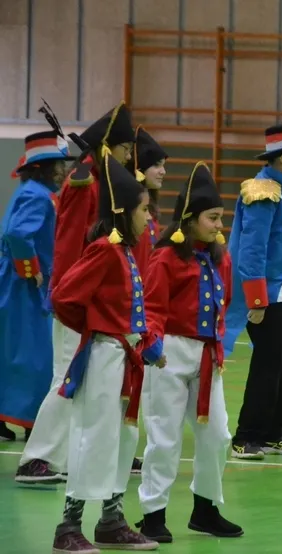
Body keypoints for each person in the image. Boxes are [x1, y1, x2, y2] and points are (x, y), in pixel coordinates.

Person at [16, 102, 139, 483]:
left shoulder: (103, 182)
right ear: (108, 149)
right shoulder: (85, 182)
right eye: (123, 149)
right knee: (67, 376)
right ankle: (36, 459)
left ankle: (68, 455)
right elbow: (68, 243)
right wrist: (70, 295)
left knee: (82, 378)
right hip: (76, 298)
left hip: (94, 298)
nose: (129, 156)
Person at [50, 152, 159, 552]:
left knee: (122, 440)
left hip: (124, 359)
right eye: (144, 210)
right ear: (123, 211)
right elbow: (65, 296)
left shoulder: (126, 251)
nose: (149, 218)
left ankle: (111, 520)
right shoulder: (105, 249)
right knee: (92, 438)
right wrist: (97, 329)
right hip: (104, 357)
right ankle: (68, 528)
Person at [135, 161, 242, 543]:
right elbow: (152, 308)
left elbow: (224, 302)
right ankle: (153, 514)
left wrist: (218, 344)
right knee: (164, 437)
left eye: (220, 218)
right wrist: (153, 343)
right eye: (212, 218)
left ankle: (206, 509)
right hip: (170, 354)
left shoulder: (219, 256)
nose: (218, 226)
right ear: (190, 218)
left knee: (217, 434)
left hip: (207, 357)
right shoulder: (166, 258)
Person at [223, 122, 282, 460]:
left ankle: (274, 433)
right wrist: (257, 300)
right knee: (267, 367)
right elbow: (252, 249)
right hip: (269, 297)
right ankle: (246, 436)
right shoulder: (263, 191)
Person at [0, 128, 74, 445]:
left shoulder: (35, 191)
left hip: (18, 283)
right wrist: (31, 271)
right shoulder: (37, 195)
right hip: (22, 286)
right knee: (33, 355)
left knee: (16, 352)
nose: (64, 171)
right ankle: (33, 421)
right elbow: (17, 234)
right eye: (59, 165)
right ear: (43, 167)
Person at [126, 126, 168, 247]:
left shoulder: (151, 206)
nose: (163, 171)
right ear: (139, 168)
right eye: (156, 165)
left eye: (163, 166)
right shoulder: (126, 209)